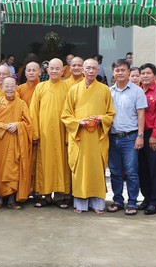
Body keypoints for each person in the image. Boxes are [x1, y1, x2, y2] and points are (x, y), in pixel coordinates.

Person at [61, 58, 115, 214]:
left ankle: (97, 204)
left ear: (98, 71)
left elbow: (111, 114)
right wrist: (80, 123)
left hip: (97, 136)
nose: (91, 71)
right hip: (79, 136)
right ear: (83, 71)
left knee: (97, 171)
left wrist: (100, 119)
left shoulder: (105, 90)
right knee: (80, 170)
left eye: (94, 68)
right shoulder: (73, 90)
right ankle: (80, 204)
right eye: (88, 68)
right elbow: (66, 115)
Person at [106, 59, 147, 216]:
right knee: (115, 171)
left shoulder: (137, 91)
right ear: (113, 72)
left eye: (123, 70)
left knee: (131, 171)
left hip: (130, 137)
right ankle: (117, 200)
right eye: (117, 70)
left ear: (129, 72)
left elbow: (141, 115)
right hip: (112, 136)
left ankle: (132, 202)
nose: (120, 73)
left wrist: (140, 136)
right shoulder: (108, 92)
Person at [29, 58, 71, 208]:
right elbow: (33, 111)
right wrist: (35, 133)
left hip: (61, 132)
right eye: (51, 68)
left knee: (61, 163)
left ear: (62, 71)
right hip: (44, 133)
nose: (54, 71)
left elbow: (71, 111)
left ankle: (61, 196)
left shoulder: (67, 88)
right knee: (44, 163)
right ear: (47, 70)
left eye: (57, 68)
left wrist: (69, 135)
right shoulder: (40, 87)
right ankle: (44, 195)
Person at [0, 77, 32, 210]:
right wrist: (6, 127)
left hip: (16, 141)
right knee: (0, 170)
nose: (9, 88)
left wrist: (18, 125)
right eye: (7, 86)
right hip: (0, 141)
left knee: (14, 169)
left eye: (12, 85)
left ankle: (12, 200)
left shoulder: (22, 104)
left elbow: (28, 123)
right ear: (2, 87)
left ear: (16, 87)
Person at [138, 63, 156, 215]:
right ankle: (146, 198)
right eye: (142, 73)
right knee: (142, 169)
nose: (145, 76)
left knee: (154, 169)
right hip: (139, 135)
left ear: (155, 76)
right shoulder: (138, 91)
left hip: (152, 136)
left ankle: (155, 202)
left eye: (148, 73)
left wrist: (154, 136)